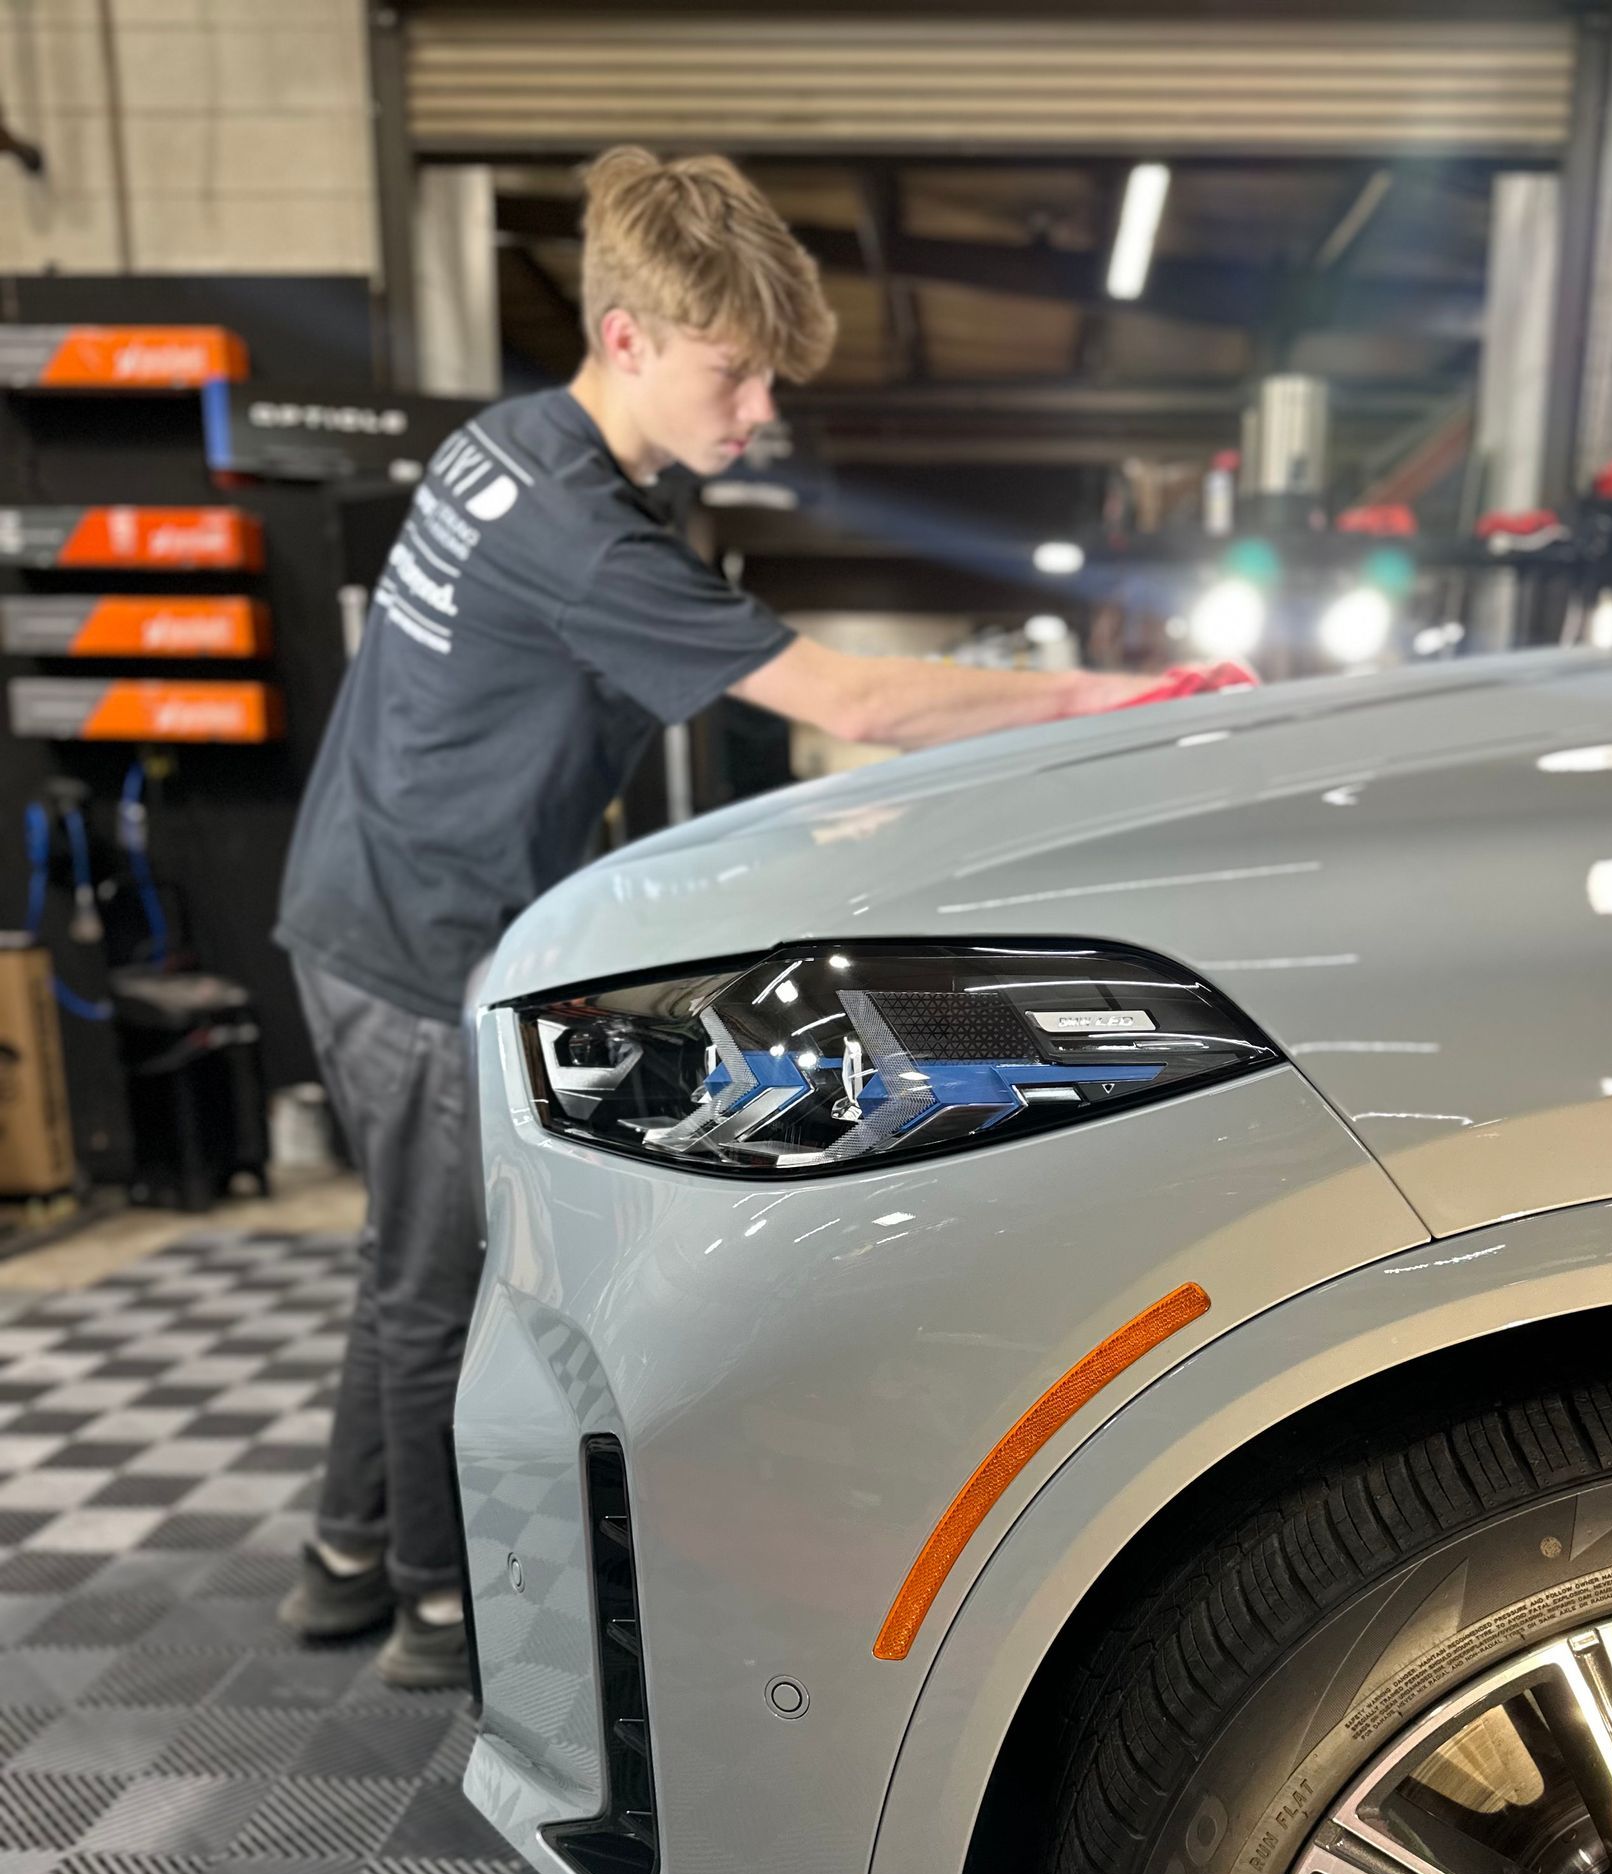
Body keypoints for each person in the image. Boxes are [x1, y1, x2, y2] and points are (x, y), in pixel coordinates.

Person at [272, 146, 1150, 1687]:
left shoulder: (509, 443)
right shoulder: (580, 528)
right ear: (627, 338)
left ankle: (342, 1558)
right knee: (440, 1279)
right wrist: (1115, 694)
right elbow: (856, 697)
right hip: (410, 940)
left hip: (350, 901)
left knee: (399, 1263)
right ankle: (429, 1601)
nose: (757, 415)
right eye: (734, 375)